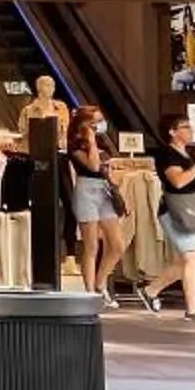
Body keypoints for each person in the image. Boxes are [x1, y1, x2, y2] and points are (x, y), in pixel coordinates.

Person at [137, 113, 195, 320]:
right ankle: (192, 308)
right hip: (175, 211)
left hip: (190, 208)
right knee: (192, 257)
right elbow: (178, 181)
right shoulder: (167, 155)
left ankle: (150, 290)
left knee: (186, 260)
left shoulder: (188, 154)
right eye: (185, 127)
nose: (191, 130)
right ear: (172, 132)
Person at [67, 104, 131, 305]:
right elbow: (93, 165)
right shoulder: (75, 144)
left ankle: (100, 281)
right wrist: (91, 141)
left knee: (117, 244)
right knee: (91, 245)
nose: (100, 124)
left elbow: (105, 166)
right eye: (95, 121)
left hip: (104, 190)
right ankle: (89, 291)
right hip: (86, 190)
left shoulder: (103, 139)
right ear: (84, 123)